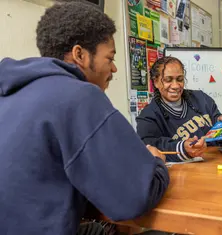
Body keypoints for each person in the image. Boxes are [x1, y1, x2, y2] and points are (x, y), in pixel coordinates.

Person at [0, 2, 169, 235]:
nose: (114, 69)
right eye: (109, 59)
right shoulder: (78, 95)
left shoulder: (11, 91)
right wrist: (157, 164)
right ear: (80, 54)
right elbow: (132, 199)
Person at [136, 56, 222, 162]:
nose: (175, 86)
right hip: (183, 174)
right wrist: (183, 148)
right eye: (168, 80)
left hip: (215, 164)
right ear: (155, 82)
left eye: (180, 79)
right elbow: (150, 147)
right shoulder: (148, 117)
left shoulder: (201, 98)